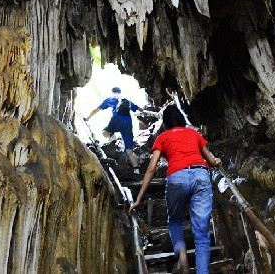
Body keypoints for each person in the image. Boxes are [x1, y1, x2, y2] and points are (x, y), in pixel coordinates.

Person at [129, 105, 221, 274]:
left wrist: (139, 199)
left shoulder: (162, 137)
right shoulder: (194, 133)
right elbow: (210, 159)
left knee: (175, 221)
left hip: (177, 177)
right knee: (201, 234)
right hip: (200, 175)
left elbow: (151, 168)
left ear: (165, 123)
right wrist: (216, 162)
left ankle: (182, 254)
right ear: (181, 119)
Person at [84, 87, 143, 173]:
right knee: (129, 151)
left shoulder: (110, 99)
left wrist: (88, 118)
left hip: (116, 119)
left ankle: (112, 136)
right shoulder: (126, 100)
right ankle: (136, 170)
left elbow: (97, 109)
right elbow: (140, 109)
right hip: (128, 123)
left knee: (105, 132)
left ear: (112, 92)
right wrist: (144, 113)